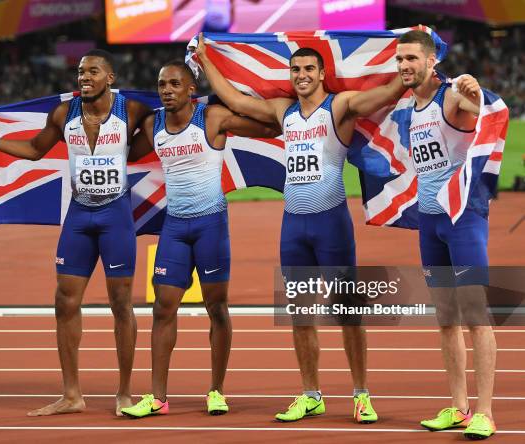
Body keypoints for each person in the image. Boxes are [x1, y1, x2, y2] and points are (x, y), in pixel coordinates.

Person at [195, 33, 407, 423]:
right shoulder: (283, 110)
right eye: (295, 69)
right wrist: (206, 59)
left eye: (309, 68)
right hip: (293, 225)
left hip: (331, 222)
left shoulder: (339, 105)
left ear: (323, 73)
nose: (301, 75)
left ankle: (361, 394)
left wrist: (409, 65)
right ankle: (311, 393)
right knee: (301, 314)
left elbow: (383, 95)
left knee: (348, 312)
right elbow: (237, 101)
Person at [0, 49, 151, 417]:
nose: (84, 77)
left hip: (116, 217)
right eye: (80, 72)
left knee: (121, 305)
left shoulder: (133, 111)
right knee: (64, 301)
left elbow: (167, 127)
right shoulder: (64, 114)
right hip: (79, 216)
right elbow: (34, 149)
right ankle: (72, 394)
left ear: (110, 78)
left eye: (93, 71)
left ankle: (124, 393)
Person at [120, 60, 279, 418]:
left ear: (191, 89)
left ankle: (216, 391)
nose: (167, 90)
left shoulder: (212, 119)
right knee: (163, 308)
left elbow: (269, 129)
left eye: (175, 83)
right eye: (162, 84)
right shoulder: (151, 124)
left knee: (217, 308)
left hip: (211, 224)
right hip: (175, 226)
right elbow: (119, 152)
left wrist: (260, 106)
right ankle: (158, 397)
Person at [396, 30, 497, 440]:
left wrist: (479, 91)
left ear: (431, 60)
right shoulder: (411, 106)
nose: (404, 65)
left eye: (411, 59)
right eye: (400, 59)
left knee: (476, 316)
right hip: (430, 225)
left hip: (463, 220)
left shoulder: (449, 96)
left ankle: (486, 413)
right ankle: (458, 407)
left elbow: (490, 112)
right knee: (445, 319)